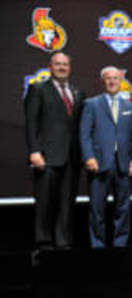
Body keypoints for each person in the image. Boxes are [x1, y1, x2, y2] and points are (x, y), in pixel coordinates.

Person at [24, 51, 86, 250]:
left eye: (65, 65)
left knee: (67, 202)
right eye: (58, 64)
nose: (62, 68)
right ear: (50, 67)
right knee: (45, 202)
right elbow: (31, 122)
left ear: (69, 68)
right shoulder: (38, 89)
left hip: (72, 157)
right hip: (46, 156)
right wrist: (34, 151)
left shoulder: (77, 92)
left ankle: (63, 241)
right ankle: (44, 242)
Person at [79, 66, 132, 248]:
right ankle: (97, 246)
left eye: (115, 78)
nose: (112, 81)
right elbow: (84, 134)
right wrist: (88, 157)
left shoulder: (130, 106)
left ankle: (119, 245)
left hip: (123, 164)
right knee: (97, 210)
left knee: (123, 209)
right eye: (108, 78)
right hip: (98, 164)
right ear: (102, 81)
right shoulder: (92, 104)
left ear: (121, 81)